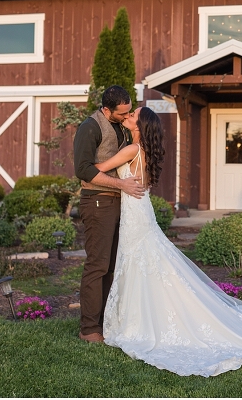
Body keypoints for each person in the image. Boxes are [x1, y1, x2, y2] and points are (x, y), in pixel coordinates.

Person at [94, 106, 242, 377]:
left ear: (140, 125)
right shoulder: (143, 151)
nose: (128, 116)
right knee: (148, 262)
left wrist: (114, 178)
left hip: (135, 213)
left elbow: (98, 170)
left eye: (133, 114)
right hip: (140, 210)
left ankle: (140, 323)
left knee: (139, 261)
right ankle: (145, 317)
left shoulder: (130, 150)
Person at [73, 85, 145, 343]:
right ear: (106, 109)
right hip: (98, 203)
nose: (126, 117)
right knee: (98, 265)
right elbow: (82, 169)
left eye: (128, 113)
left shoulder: (122, 127)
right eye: (121, 114)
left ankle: (105, 320)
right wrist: (121, 184)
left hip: (119, 204)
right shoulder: (90, 127)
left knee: (112, 266)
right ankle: (89, 328)